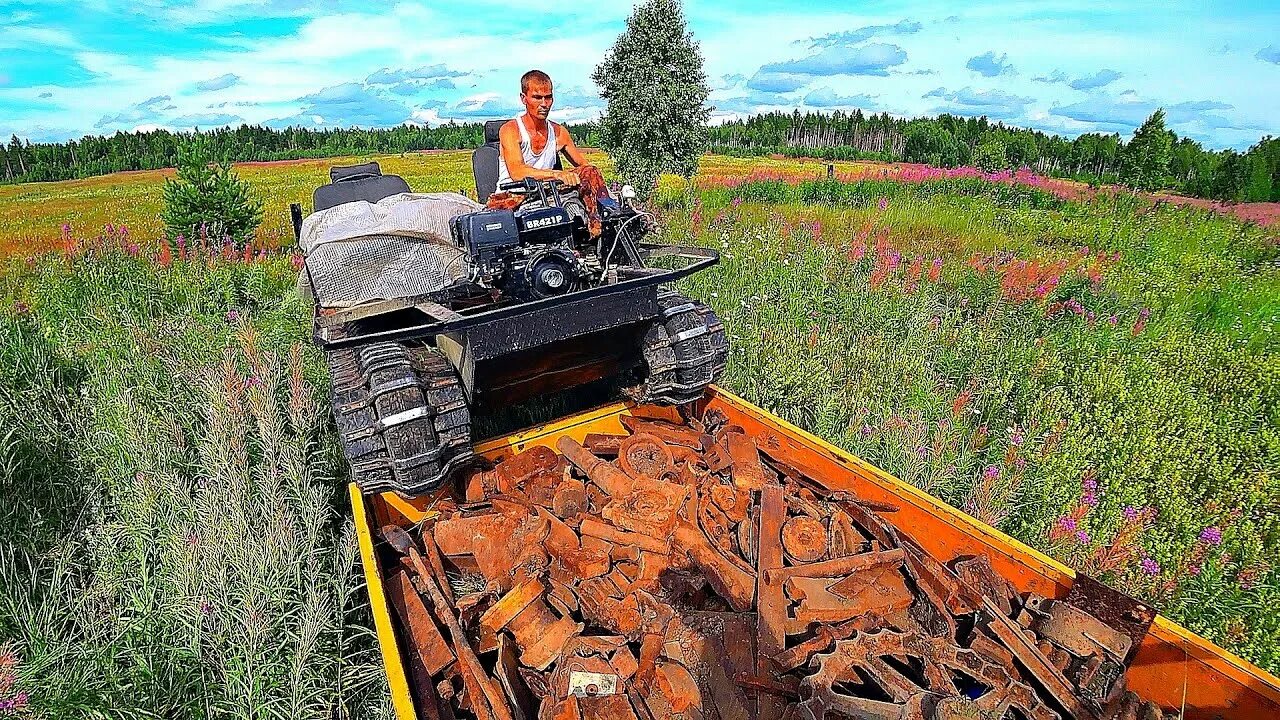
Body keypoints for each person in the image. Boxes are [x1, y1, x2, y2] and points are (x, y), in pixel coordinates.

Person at [497, 70, 589, 188]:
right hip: (509, 198)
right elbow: (517, 172)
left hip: (546, 197)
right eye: (537, 97)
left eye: (548, 97)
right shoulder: (510, 130)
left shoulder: (559, 133)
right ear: (523, 98)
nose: (544, 104)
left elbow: (585, 166)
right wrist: (557, 174)